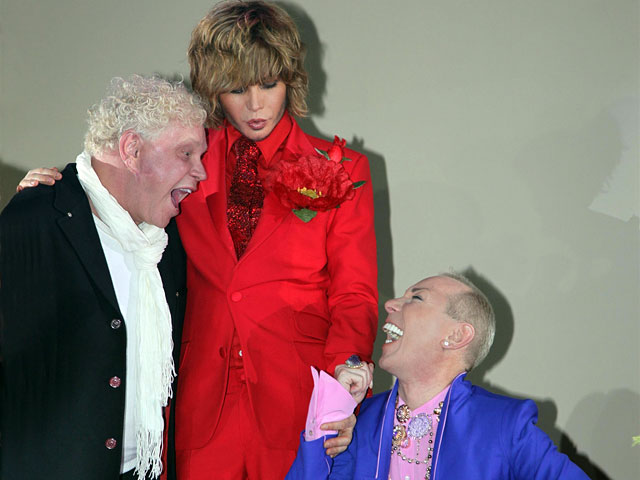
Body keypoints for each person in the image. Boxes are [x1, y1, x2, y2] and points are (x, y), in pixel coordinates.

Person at [16, 2, 379, 478]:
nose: (255, 105)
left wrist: (345, 377)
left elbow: (354, 294)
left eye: (269, 84)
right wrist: (59, 192)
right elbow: (122, 183)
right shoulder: (186, 156)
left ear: (290, 79)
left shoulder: (340, 168)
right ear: (213, 89)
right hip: (200, 404)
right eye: (237, 88)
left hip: (299, 401)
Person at [1, 75, 208, 480]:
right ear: (132, 150)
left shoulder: (167, 241)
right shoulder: (36, 219)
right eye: (186, 153)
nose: (199, 171)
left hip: (143, 470)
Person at [286, 273, 590, 479]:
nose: (390, 304)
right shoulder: (361, 420)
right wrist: (334, 408)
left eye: (416, 298)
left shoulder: (505, 425)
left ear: (456, 336)